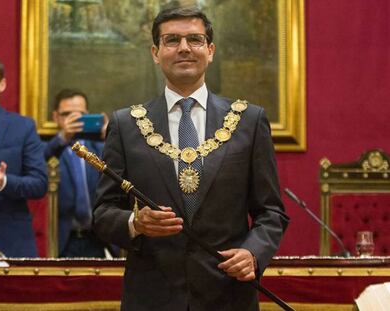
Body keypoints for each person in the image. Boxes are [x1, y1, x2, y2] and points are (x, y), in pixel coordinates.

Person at [94, 7, 289, 311]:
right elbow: (103, 213)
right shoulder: (126, 124)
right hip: (151, 296)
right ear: (156, 53)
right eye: (172, 40)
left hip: (228, 294)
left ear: (210, 51)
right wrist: (136, 222)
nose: (184, 48)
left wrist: (253, 253)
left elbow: (271, 211)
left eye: (195, 40)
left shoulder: (249, 121)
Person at [0, 52, 47, 260]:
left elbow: (39, 184)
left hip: (12, 240)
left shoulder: (23, 127)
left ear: (2, 84)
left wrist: (3, 182)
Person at [44, 88, 115, 258]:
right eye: (67, 114)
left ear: (88, 115)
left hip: (96, 238)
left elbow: (122, 172)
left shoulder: (99, 149)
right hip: (60, 239)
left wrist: (111, 138)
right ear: (55, 117)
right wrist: (63, 137)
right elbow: (40, 159)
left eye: (80, 115)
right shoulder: (50, 147)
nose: (74, 119)